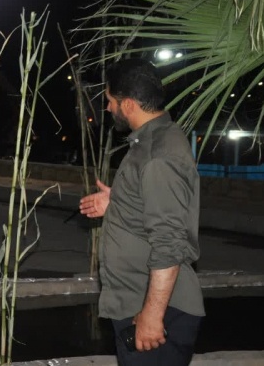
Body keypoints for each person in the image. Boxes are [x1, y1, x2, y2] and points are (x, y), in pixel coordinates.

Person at [78, 58, 204, 365]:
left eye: (110, 101)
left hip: (154, 310)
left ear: (129, 105)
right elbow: (157, 206)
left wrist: (151, 315)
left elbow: (169, 242)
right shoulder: (153, 140)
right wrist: (119, 202)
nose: (108, 108)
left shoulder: (158, 156)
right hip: (138, 301)